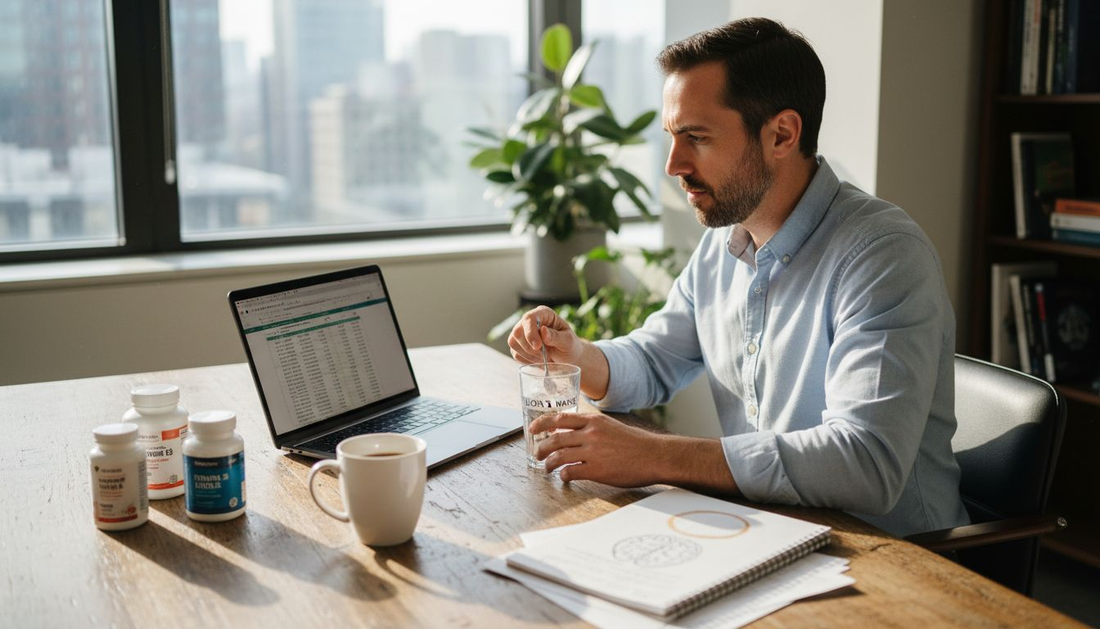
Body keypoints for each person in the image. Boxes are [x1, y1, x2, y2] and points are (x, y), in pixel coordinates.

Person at [507, 17, 969, 537]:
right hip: (770, 533)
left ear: (782, 134)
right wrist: (578, 355)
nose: (673, 164)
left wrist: (656, 455)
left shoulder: (882, 256)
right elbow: (657, 359)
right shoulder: (725, 241)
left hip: (899, 559)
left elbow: (865, 465)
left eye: (696, 137)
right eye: (671, 137)